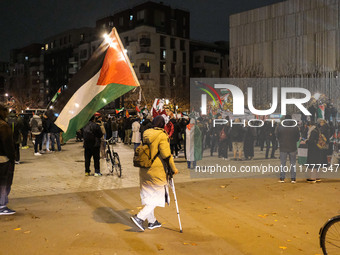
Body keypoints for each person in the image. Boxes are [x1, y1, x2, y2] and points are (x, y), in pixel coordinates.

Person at [130, 115, 178, 231]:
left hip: (145, 168)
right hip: (156, 170)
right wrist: (173, 169)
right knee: (157, 196)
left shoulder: (146, 133)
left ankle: (152, 221)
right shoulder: (161, 135)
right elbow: (166, 155)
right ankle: (140, 217)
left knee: (150, 195)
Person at [0, 104, 16, 215]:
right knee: (3, 182)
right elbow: (8, 145)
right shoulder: (3, 126)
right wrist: (12, 157)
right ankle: (2, 206)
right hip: (2, 158)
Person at [276, 115, 300, 183]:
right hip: (292, 147)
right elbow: (298, 137)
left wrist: (281, 141)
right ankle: (293, 178)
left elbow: (277, 136)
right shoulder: (295, 127)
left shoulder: (280, 127)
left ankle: (282, 178)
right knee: (293, 163)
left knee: (283, 163)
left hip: (283, 147)